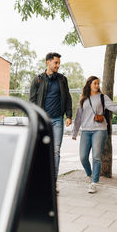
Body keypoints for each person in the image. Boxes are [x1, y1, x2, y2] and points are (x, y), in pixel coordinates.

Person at [72, 76, 117, 193]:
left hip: (99, 130)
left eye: (98, 83)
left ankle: (94, 182)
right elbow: (78, 117)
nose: (97, 85)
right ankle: (90, 175)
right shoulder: (83, 99)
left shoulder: (102, 97)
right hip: (85, 131)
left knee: (96, 157)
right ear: (89, 84)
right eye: (95, 83)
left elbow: (115, 108)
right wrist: (75, 132)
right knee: (83, 157)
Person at [30, 52, 72, 180]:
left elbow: (68, 98)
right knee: (41, 151)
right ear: (48, 62)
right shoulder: (37, 80)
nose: (58, 65)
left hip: (57, 121)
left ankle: (53, 182)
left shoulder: (62, 79)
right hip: (42, 121)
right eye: (56, 63)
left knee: (56, 151)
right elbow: (32, 100)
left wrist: (69, 115)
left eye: (59, 63)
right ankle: (40, 179)